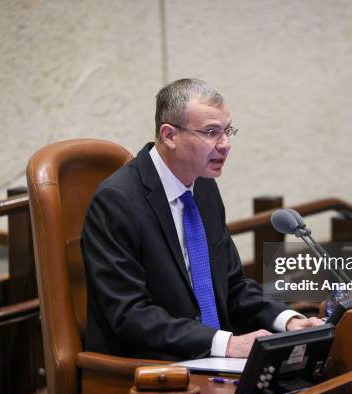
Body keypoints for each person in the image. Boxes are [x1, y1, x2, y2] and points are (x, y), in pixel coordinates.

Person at [81, 79, 323, 361]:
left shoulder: (203, 186)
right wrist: (226, 344)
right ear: (169, 135)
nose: (226, 145)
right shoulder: (117, 200)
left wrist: (288, 320)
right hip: (146, 368)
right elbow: (129, 313)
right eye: (211, 132)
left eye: (227, 131)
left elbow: (232, 286)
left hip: (207, 358)